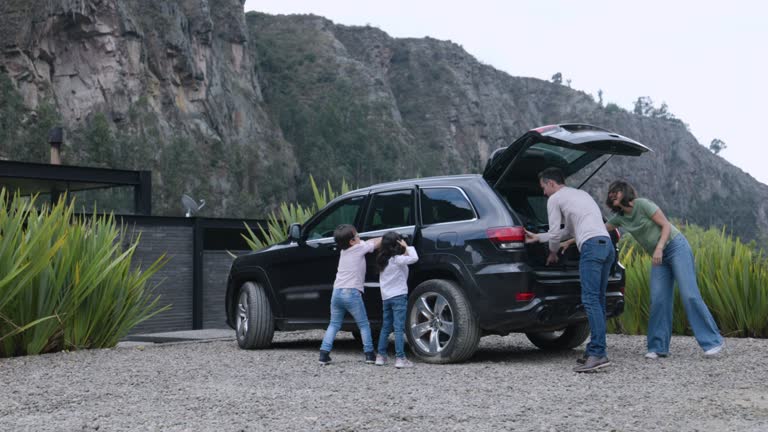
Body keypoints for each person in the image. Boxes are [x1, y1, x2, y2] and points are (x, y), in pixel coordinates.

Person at [603, 180, 724, 358]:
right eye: (610, 193)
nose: (612, 194)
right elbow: (596, 230)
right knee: (658, 298)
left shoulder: (642, 204)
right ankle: (658, 347)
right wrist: (568, 240)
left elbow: (666, 225)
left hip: (675, 247)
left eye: (616, 191)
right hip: (659, 256)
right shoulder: (619, 218)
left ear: (625, 192)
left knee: (689, 294)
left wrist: (659, 248)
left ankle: (712, 341)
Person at [525, 167, 615, 373]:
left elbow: (556, 234)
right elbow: (567, 230)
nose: (543, 193)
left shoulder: (555, 199)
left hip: (591, 248)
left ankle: (599, 354)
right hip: (606, 246)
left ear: (551, 183)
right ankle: (595, 349)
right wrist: (539, 237)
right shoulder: (580, 194)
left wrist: (552, 253)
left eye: (543, 188)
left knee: (591, 300)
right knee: (598, 300)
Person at [319, 224, 382, 365]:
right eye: (358, 235)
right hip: (351, 292)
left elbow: (369, 242)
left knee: (334, 324)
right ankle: (369, 354)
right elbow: (376, 243)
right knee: (364, 325)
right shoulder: (358, 248)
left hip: (337, 292)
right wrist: (388, 236)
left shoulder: (344, 251)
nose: (360, 237)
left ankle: (324, 354)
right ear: (352, 241)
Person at [374, 232, 419, 369]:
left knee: (386, 327)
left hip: (386, 298)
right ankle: (400, 358)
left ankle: (380, 356)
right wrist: (407, 247)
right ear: (397, 244)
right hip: (398, 296)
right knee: (398, 328)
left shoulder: (383, 260)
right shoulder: (397, 260)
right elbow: (414, 258)